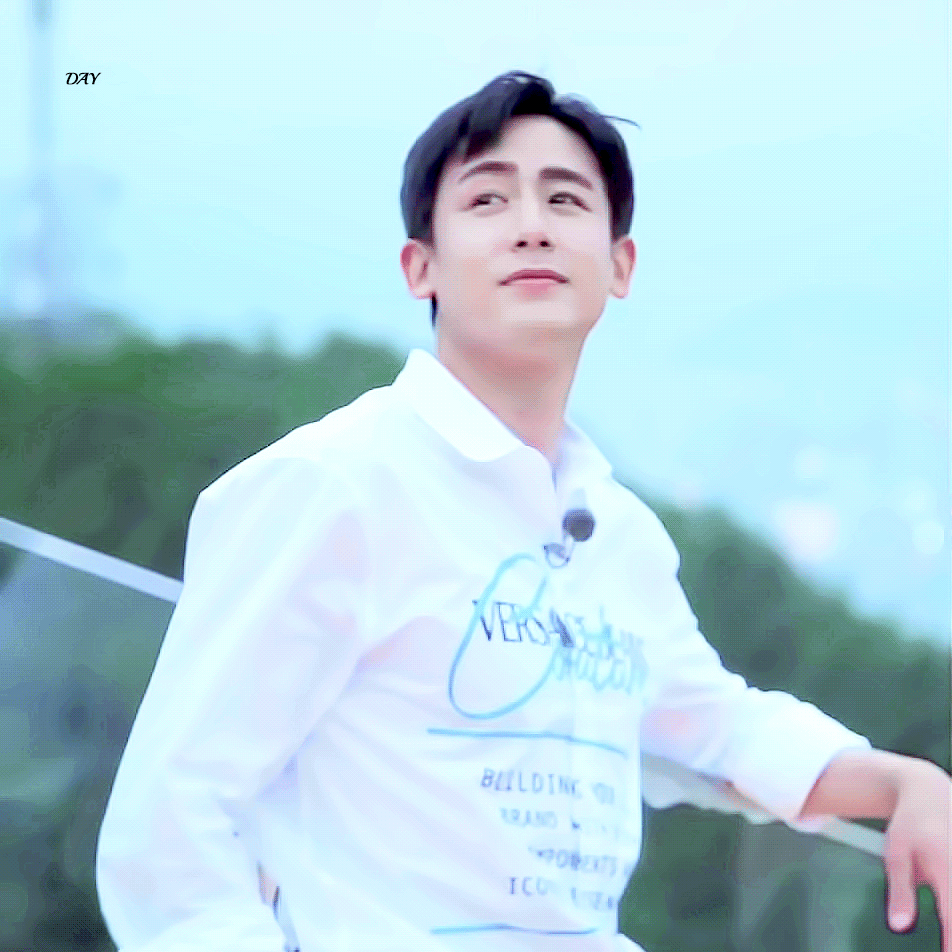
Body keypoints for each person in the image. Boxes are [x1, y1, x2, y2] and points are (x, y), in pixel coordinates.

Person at [96, 71, 950, 952]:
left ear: (620, 265)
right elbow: (172, 824)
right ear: (420, 266)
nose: (532, 224)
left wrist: (903, 785)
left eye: (566, 199)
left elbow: (711, 727)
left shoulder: (615, 532)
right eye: (487, 199)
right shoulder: (330, 486)